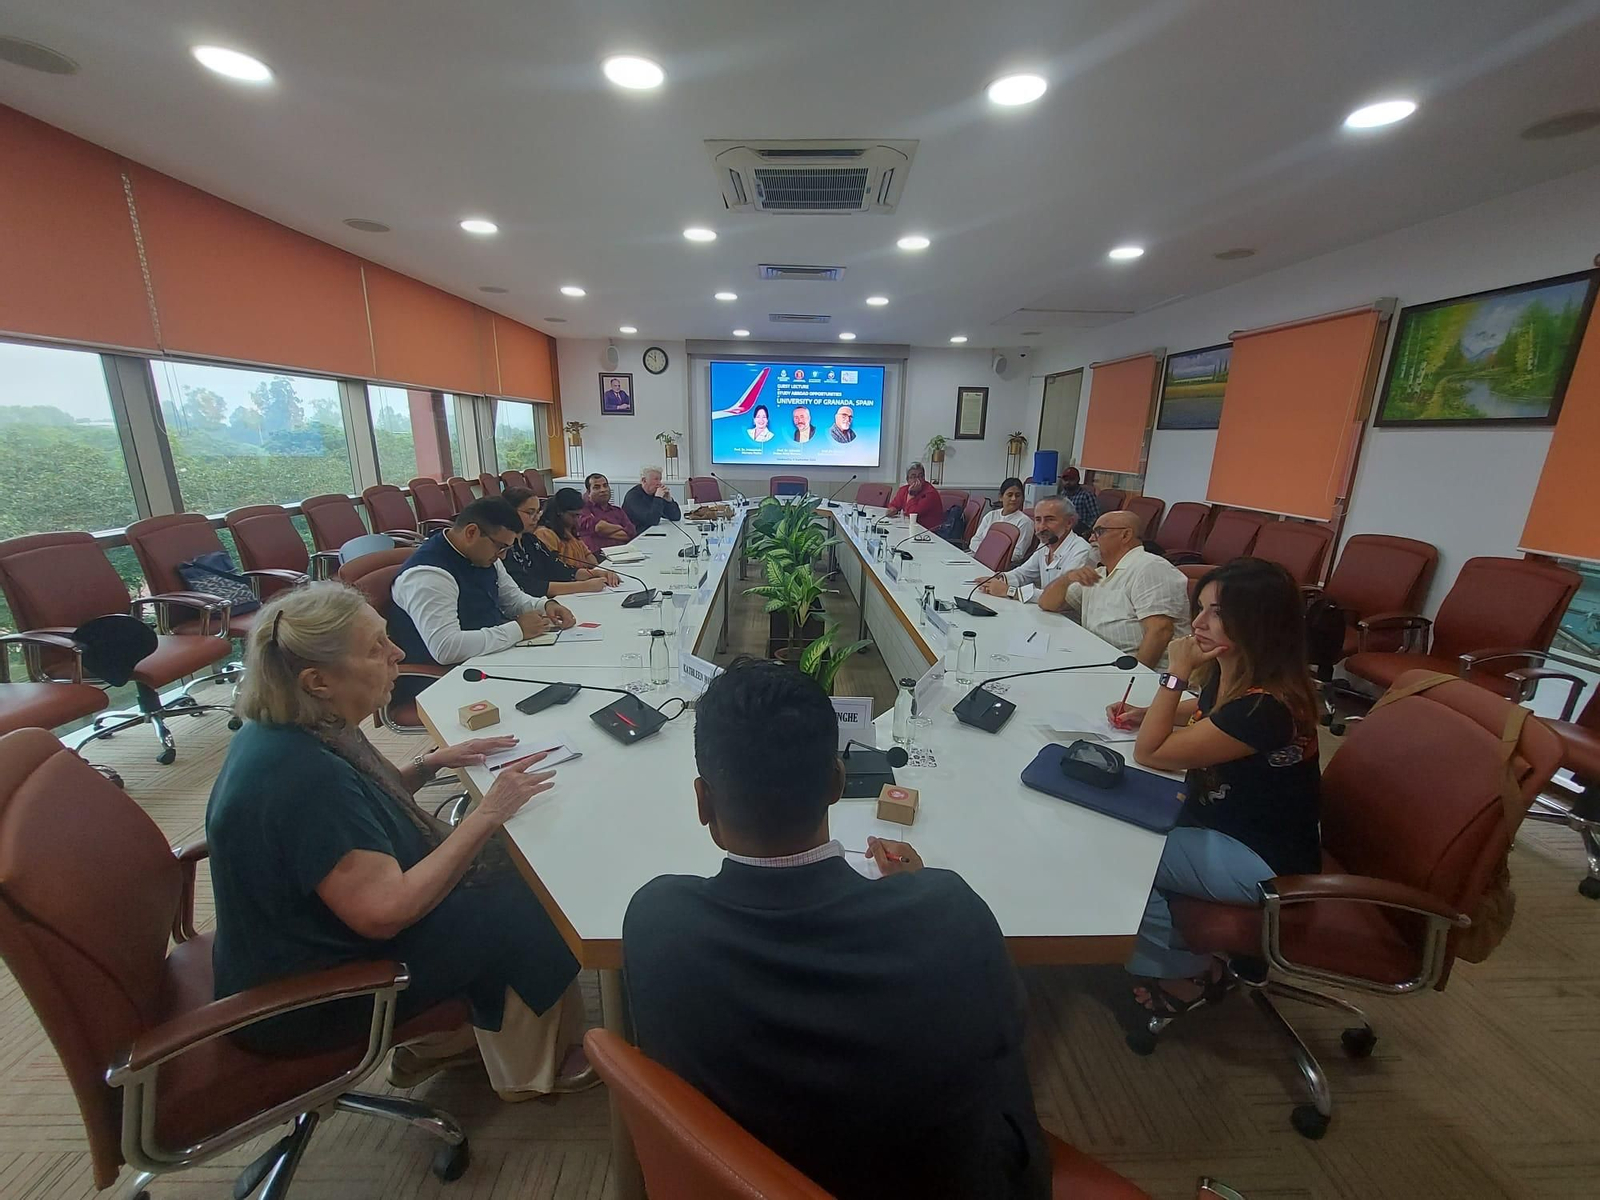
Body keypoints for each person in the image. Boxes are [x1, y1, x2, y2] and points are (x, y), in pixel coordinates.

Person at [624, 659, 1049, 1200]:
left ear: (703, 801)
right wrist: (917, 893)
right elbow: (1005, 1029)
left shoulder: (656, 920)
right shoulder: (949, 911)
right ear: (837, 784)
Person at [206, 582, 595, 1100]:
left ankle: (450, 1039)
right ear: (317, 679)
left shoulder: (308, 723)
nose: (398, 655)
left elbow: (368, 795)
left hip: (308, 938)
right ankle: (529, 1072)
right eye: (376, 649)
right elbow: (384, 912)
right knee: (520, 894)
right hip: (307, 997)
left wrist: (433, 761)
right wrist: (488, 813)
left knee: (507, 864)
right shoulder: (299, 775)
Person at [1107, 559, 1321, 1022]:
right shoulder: (1239, 673)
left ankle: (1185, 970)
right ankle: (1182, 950)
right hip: (1229, 824)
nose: (1198, 624)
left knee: (1123, 850)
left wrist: (1173, 674)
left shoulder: (1265, 707)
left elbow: (1153, 752)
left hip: (1263, 859)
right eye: (1199, 608)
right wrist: (1156, 710)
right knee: (1119, 811)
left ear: (1256, 622)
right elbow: (1207, 711)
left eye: (1216, 613)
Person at [388, 499, 576, 697]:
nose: (502, 556)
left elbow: (512, 600)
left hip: (488, 659)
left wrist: (545, 605)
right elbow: (446, 648)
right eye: (500, 547)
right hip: (444, 681)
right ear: (471, 533)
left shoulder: (484, 555)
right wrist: (517, 630)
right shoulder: (429, 575)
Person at [1040, 510, 1191, 668]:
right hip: (1100, 662)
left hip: (1139, 673)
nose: (1091, 539)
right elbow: (1047, 603)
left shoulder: (1149, 567)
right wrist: (1067, 578)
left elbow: (1160, 631)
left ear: (1125, 535)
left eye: (1099, 532)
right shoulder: (1099, 573)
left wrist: (1134, 676)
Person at [502, 486, 621, 598]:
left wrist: (595, 573)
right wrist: (584, 586)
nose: (536, 518)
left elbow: (559, 569)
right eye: (529, 512)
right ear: (510, 511)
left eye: (537, 512)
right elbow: (529, 586)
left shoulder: (530, 540)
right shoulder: (504, 549)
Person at [978, 494, 1090, 600]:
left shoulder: (1081, 551)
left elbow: (1061, 595)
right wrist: (998, 579)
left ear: (1069, 523)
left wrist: (1010, 592)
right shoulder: (1046, 544)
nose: (1041, 527)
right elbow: (1023, 573)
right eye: (1038, 520)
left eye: (1050, 520)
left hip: (1069, 617)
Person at [534, 487, 601, 571]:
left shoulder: (569, 529)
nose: (577, 520)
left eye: (578, 516)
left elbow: (587, 554)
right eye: (573, 516)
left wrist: (598, 569)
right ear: (559, 511)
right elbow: (554, 567)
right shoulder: (545, 534)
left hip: (582, 576)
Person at [972, 477, 1036, 563]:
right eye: (1010, 495)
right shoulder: (991, 515)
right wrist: (983, 554)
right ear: (1001, 497)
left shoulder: (1025, 522)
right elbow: (975, 541)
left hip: (1000, 565)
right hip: (977, 558)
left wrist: (990, 555)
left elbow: (1017, 554)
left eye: (1018, 495)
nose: (1014, 499)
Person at [576, 472, 636, 555]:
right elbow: (599, 527)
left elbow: (631, 532)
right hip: (598, 555)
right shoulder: (583, 510)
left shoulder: (617, 510)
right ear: (589, 492)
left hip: (623, 552)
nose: (603, 490)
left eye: (605, 485)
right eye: (597, 487)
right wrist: (620, 527)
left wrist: (602, 533)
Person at [622, 465, 682, 532]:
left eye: (660, 479)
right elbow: (652, 520)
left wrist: (669, 500)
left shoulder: (654, 493)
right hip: (636, 534)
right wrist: (658, 498)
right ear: (644, 480)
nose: (659, 483)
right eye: (656, 479)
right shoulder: (633, 496)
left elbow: (675, 517)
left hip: (652, 531)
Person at [884, 461, 944, 527]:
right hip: (910, 527)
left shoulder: (930, 493)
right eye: (913, 477)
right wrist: (892, 509)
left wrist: (911, 495)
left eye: (920, 476)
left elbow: (912, 514)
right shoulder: (903, 490)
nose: (918, 480)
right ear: (907, 479)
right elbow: (894, 505)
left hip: (927, 531)